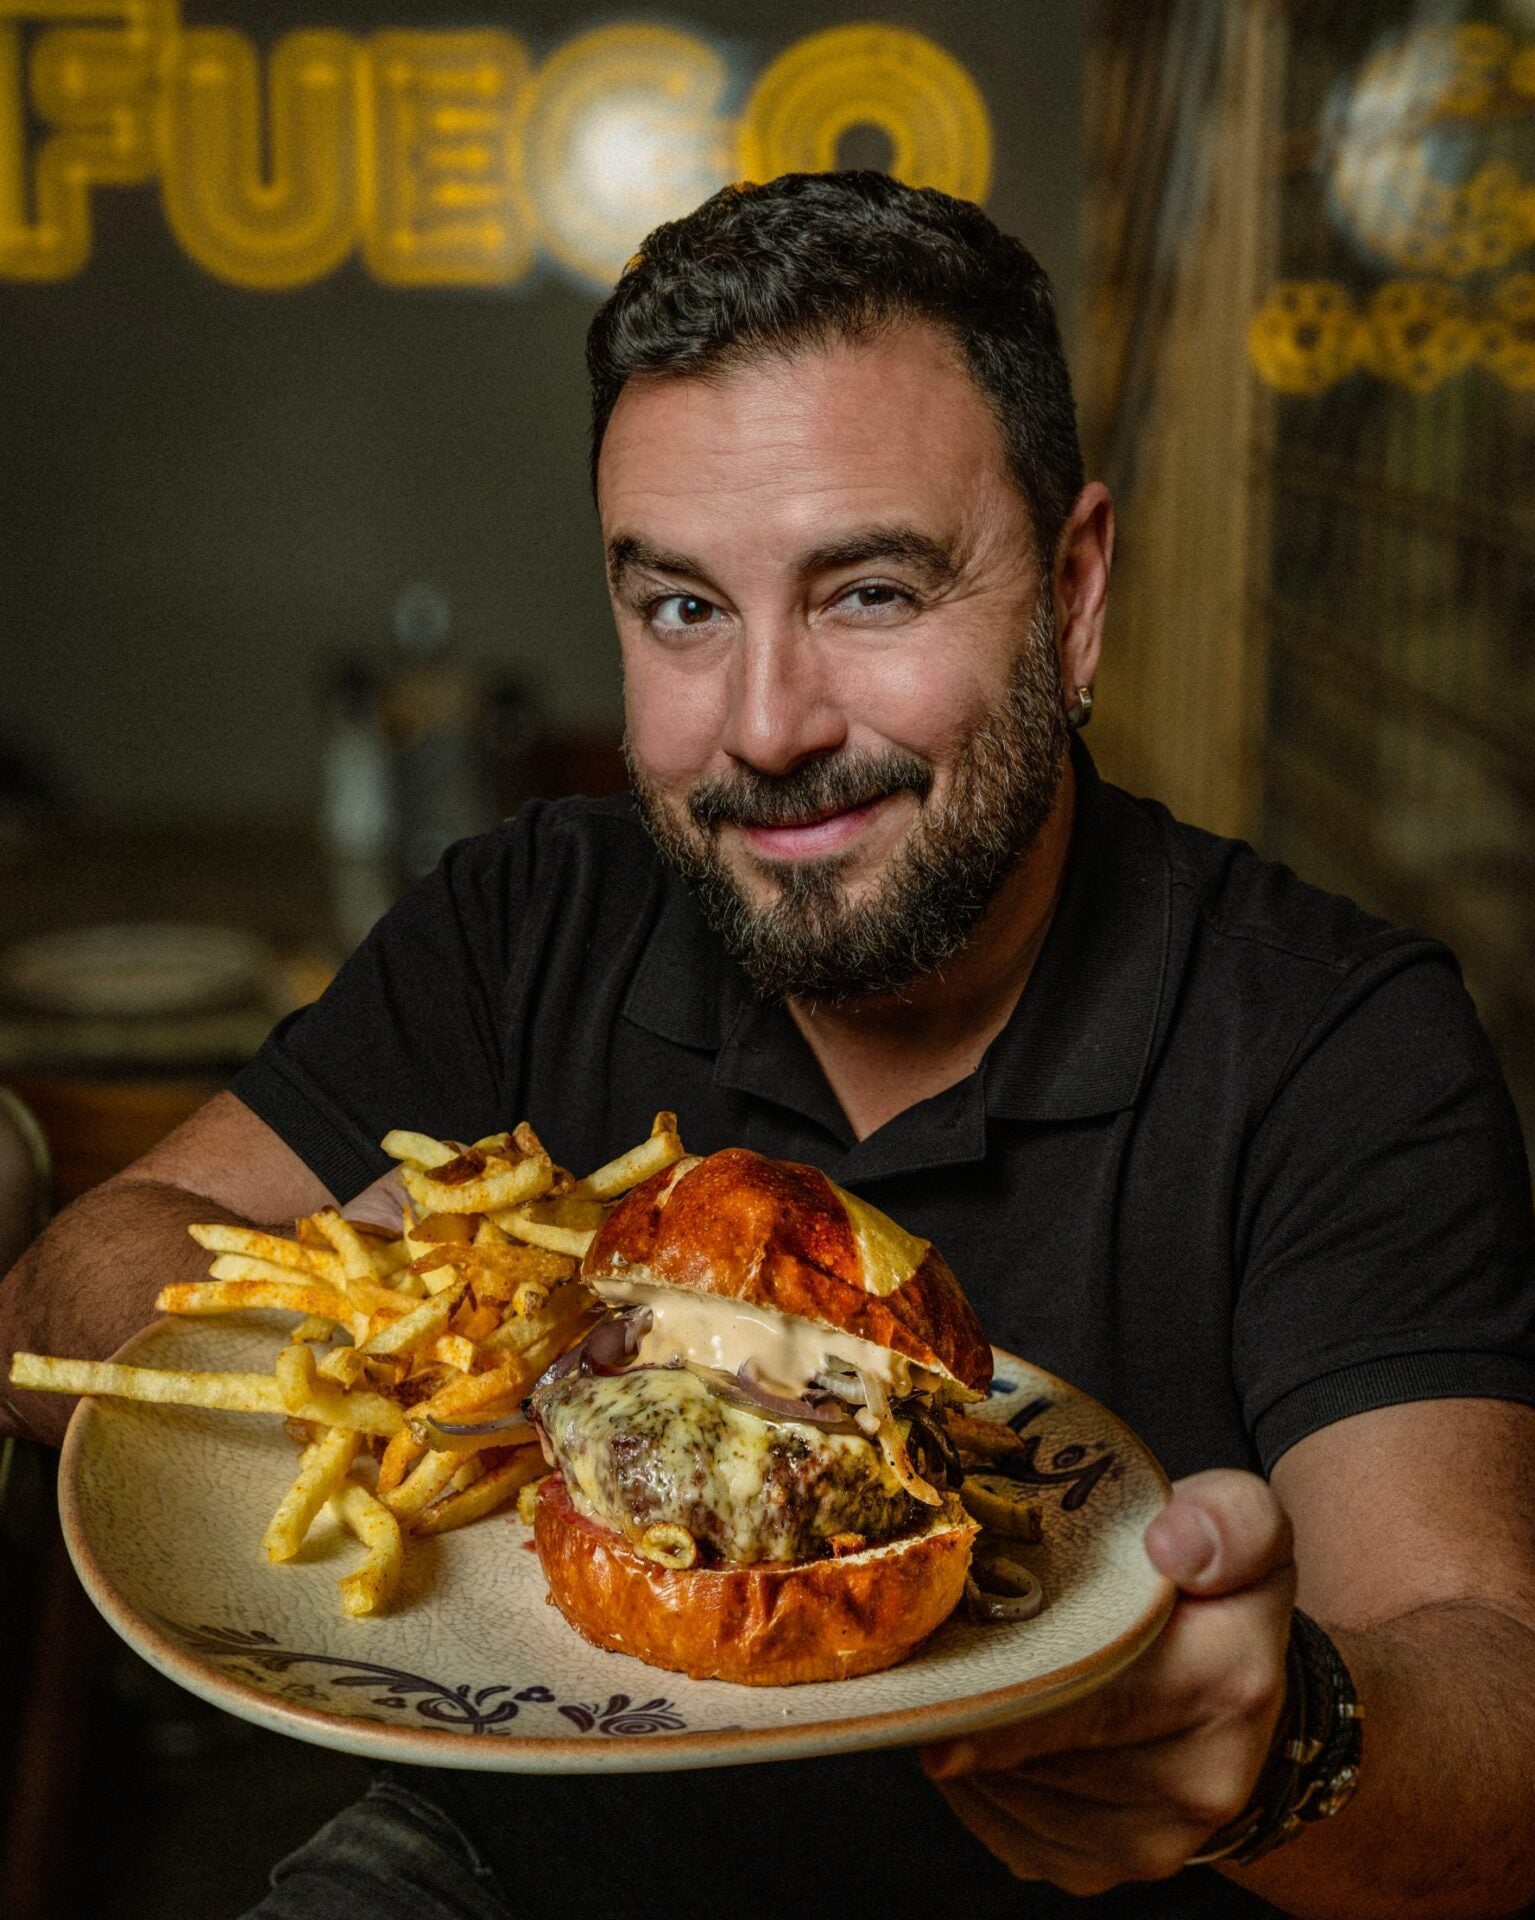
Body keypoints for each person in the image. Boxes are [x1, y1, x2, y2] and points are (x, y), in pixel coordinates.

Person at [4, 173, 1534, 1920]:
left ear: (1078, 596)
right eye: (681, 610)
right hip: (510, 1863)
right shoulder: (533, 913)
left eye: (870, 592)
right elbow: (60, 1309)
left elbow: (1495, 1725)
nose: (764, 727)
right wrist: (381, 1330)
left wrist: (1292, 1746)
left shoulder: (1334, 1039)